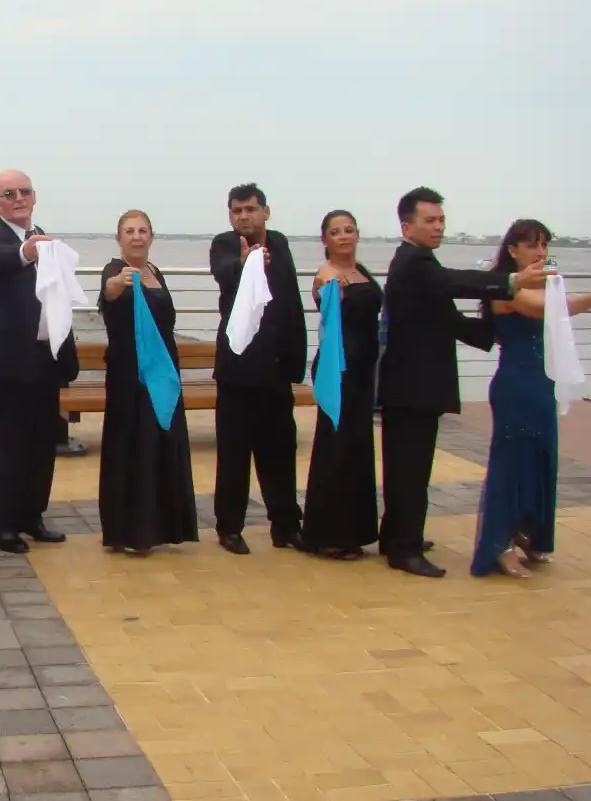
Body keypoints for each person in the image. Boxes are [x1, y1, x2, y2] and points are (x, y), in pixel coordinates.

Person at [379, 187, 546, 578]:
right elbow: (455, 282)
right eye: (430, 221)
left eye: (441, 220)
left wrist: (491, 331)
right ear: (407, 225)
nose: (438, 227)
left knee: (409, 467)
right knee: (410, 469)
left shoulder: (423, 265)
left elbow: (448, 319)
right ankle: (403, 550)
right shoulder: (414, 262)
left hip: (416, 384)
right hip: (410, 385)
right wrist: (509, 281)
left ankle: (398, 536)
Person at [471, 220, 591, 578]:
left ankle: (529, 532)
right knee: (511, 461)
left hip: (541, 382)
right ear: (513, 250)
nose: (540, 252)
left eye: (544, 245)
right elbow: (543, 309)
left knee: (540, 458)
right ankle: (498, 544)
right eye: (532, 245)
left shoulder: (545, 283)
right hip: (516, 383)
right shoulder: (504, 287)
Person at [0, 169, 79, 554]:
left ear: (34, 197)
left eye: (24, 192)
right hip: (9, 361)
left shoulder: (44, 235)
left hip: (45, 357)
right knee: (9, 443)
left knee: (41, 442)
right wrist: (27, 251)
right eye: (9, 193)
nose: (18, 198)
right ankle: (2, 525)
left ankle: (33, 516)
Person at [208, 183, 307, 555]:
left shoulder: (279, 244)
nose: (243, 217)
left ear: (266, 211)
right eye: (237, 211)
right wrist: (247, 262)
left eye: (250, 209)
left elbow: (291, 303)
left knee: (280, 452)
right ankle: (229, 527)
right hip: (238, 370)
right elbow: (223, 273)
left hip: (276, 370)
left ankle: (285, 525)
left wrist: (296, 360)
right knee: (234, 454)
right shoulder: (224, 244)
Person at [97, 210, 199, 555]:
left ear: (151, 237)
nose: (136, 236)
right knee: (132, 447)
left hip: (164, 372)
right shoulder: (115, 272)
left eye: (142, 231)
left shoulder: (155, 273)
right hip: (130, 377)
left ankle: (164, 525)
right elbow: (108, 295)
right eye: (129, 231)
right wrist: (115, 287)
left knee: (162, 444)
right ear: (119, 238)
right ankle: (131, 530)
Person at [302, 210, 383, 559]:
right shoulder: (328, 274)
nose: (344, 236)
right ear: (325, 240)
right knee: (335, 448)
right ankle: (328, 533)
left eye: (349, 229)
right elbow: (323, 299)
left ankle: (357, 531)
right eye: (335, 232)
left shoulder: (361, 272)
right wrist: (327, 290)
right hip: (338, 369)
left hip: (364, 369)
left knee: (358, 448)